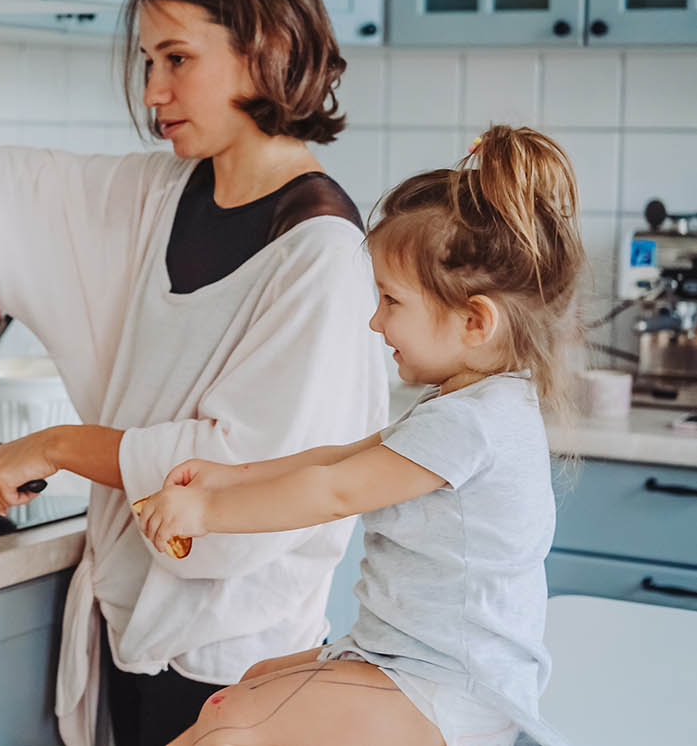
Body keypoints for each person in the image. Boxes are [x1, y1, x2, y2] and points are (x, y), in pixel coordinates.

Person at [0, 0, 389, 745]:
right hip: (134, 628)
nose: (154, 90)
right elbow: (38, 188)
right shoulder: (165, 192)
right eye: (147, 62)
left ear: (265, 46)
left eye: (177, 59)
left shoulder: (321, 257)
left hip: (232, 657)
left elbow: (232, 479)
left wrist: (53, 446)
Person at [135, 125, 582, 746]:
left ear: (474, 320)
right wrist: (232, 474)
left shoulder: (471, 423)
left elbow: (334, 491)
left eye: (391, 300)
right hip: (404, 663)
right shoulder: (475, 404)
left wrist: (207, 511)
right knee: (259, 678)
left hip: (448, 691)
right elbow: (342, 457)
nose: (375, 321)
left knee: (230, 722)